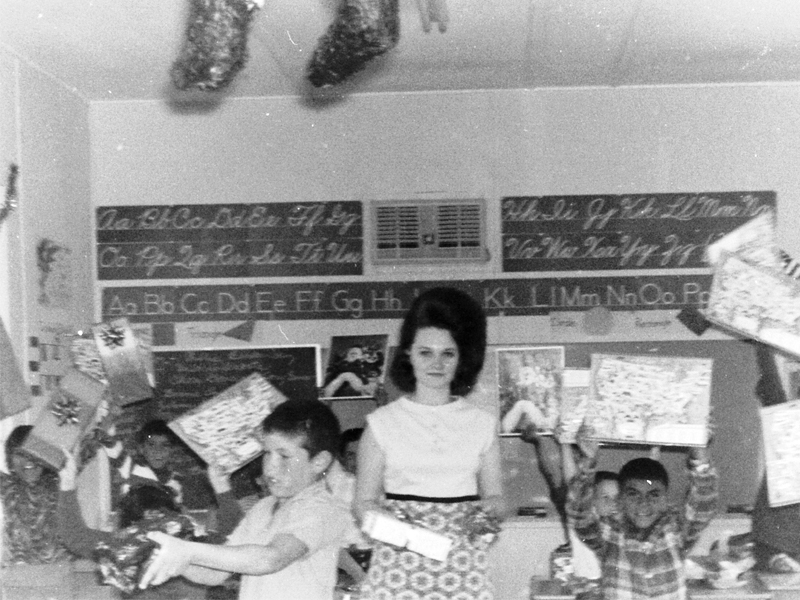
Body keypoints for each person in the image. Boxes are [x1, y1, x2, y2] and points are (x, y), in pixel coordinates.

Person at [354, 286, 508, 600]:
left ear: (462, 357)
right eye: (425, 352)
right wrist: (416, 540)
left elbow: (496, 498)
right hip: (397, 563)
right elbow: (362, 505)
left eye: (447, 353)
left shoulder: (483, 424)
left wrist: (482, 521)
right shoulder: (381, 423)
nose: (436, 363)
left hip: (463, 564)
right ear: (408, 354)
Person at [137, 399, 354, 600]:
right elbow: (215, 574)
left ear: (319, 461)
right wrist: (172, 558)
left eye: (284, 456)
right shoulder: (263, 507)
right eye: (267, 453)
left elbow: (270, 559)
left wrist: (187, 550)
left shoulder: (323, 508)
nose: (270, 466)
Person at [56, 447, 242, 600]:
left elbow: (74, 535)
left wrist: (68, 485)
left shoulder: (124, 544)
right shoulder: (192, 542)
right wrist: (222, 489)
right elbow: (236, 538)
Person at [566, 432, 718, 600]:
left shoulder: (676, 530)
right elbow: (578, 515)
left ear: (665, 498)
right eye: (634, 494)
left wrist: (699, 453)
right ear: (621, 499)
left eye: (653, 495)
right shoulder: (609, 533)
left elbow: (703, 504)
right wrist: (587, 462)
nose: (644, 503)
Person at [1, 425, 72, 566]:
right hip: (17, 579)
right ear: (10, 459)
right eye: (20, 453)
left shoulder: (62, 484)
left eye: (34, 452)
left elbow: (86, 448)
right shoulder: (6, 487)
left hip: (60, 576)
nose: (28, 460)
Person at [103, 419, 184, 505]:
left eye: (165, 445)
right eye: (151, 445)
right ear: (141, 448)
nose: (158, 450)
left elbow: (177, 511)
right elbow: (107, 439)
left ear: (172, 450)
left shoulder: (175, 481)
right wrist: (111, 415)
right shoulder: (129, 467)